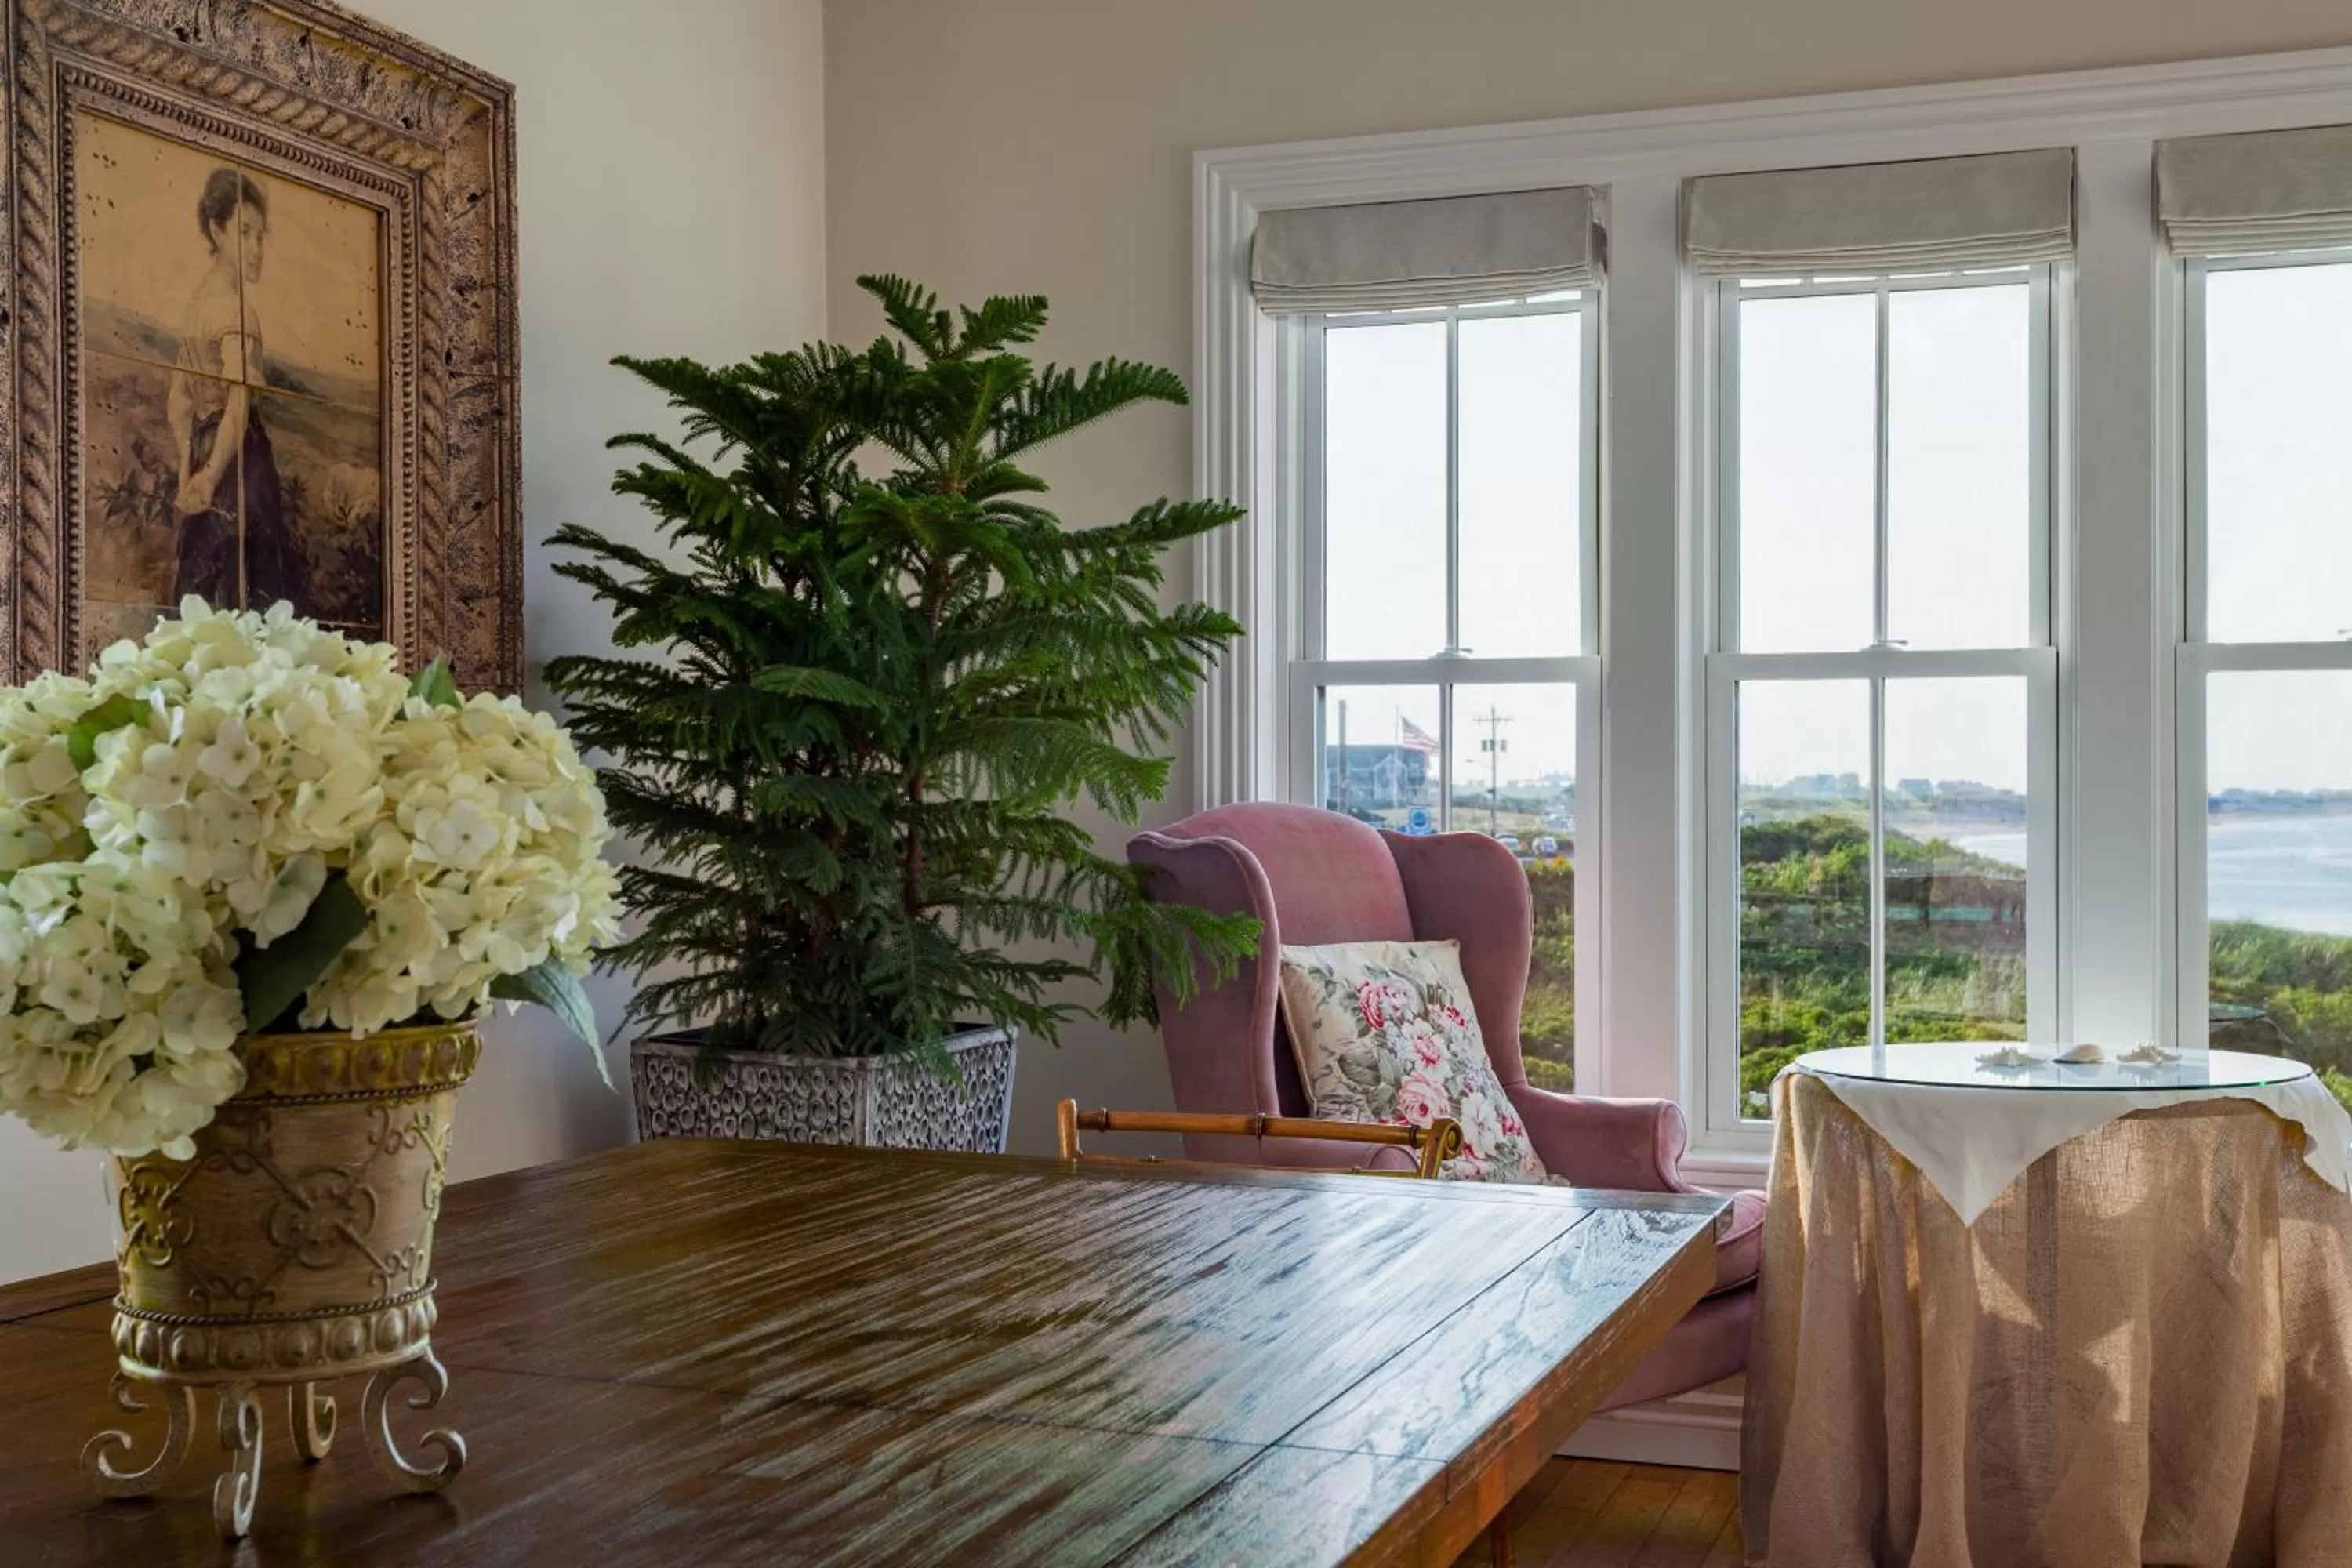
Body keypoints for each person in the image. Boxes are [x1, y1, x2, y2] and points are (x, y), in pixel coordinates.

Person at [165, 168, 306, 611]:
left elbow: (180, 404)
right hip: (240, 462)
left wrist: (189, 475)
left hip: (207, 453)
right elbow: (238, 405)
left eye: (262, 236)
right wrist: (210, 476)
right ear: (216, 230)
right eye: (245, 232)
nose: (257, 249)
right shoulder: (234, 310)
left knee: (205, 595)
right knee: (248, 593)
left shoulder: (195, 306)